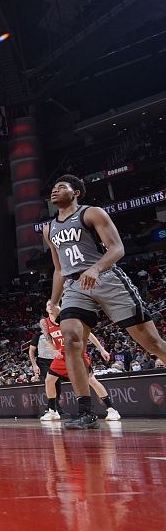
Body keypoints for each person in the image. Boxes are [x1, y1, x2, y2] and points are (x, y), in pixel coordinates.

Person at [44, 174, 165, 429]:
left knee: (151, 342)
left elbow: (117, 248)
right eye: (53, 188)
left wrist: (96, 268)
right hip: (75, 285)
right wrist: (53, 301)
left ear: (76, 192)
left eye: (61, 187)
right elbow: (59, 269)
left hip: (106, 278)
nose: (54, 191)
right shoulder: (49, 228)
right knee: (71, 339)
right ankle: (86, 412)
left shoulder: (91, 213)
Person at [41, 302, 120, 422]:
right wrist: (54, 350)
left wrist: (101, 349)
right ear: (46, 309)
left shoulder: (68, 318)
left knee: (91, 381)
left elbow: (88, 334)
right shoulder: (44, 322)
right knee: (49, 380)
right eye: (48, 305)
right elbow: (48, 340)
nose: (51, 307)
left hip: (77, 354)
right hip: (62, 356)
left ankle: (111, 409)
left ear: (58, 307)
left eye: (53, 304)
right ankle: (52, 411)